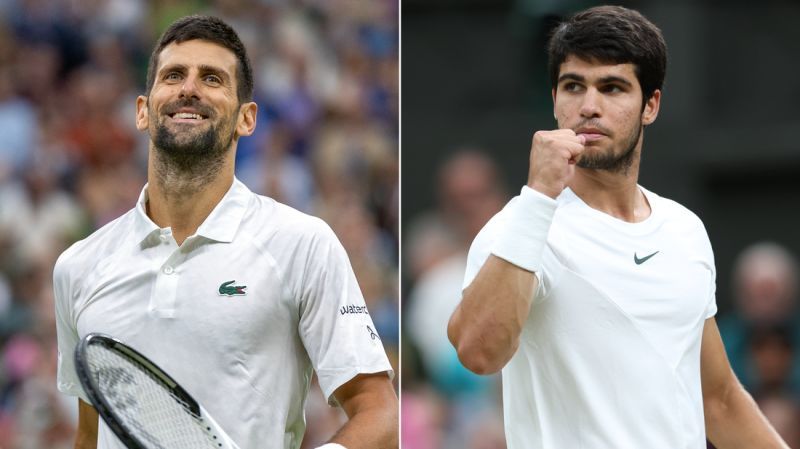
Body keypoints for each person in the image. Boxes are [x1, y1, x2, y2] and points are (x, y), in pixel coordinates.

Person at [447, 6, 787, 448]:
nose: (589, 107)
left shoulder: (684, 230)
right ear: (554, 100)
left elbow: (718, 399)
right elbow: (477, 352)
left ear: (651, 105)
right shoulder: (518, 225)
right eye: (573, 86)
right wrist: (538, 198)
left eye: (612, 87)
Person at [53, 15, 397, 449]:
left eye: (211, 78)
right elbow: (92, 432)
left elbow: (381, 414)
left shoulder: (302, 244)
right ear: (143, 110)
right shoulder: (78, 266)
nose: (189, 88)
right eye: (173, 75)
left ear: (246, 119)